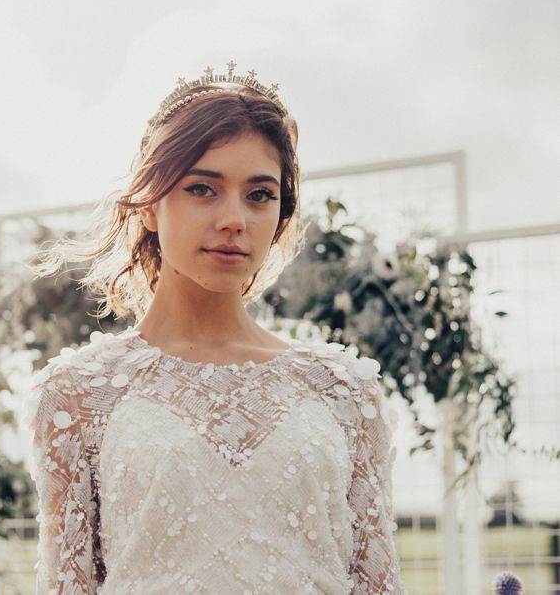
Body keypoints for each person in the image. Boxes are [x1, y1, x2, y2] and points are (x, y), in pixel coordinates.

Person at [25, 61, 406, 594]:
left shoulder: (346, 390)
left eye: (259, 194)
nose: (235, 219)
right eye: (203, 188)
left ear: (280, 216)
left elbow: (378, 585)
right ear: (151, 205)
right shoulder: (75, 395)